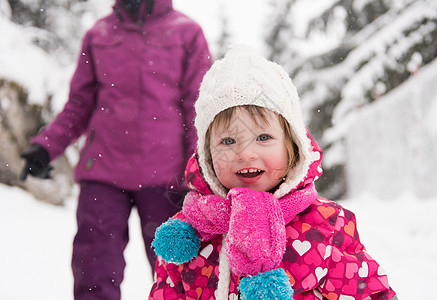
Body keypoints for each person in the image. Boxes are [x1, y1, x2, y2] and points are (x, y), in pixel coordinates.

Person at [149, 45, 397, 299]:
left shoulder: (325, 225)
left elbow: (368, 293)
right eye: (228, 141)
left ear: (293, 147)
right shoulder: (188, 235)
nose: (245, 154)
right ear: (207, 157)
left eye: (263, 137)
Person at [19, 0, 211, 299]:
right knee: (93, 272)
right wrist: (46, 147)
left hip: (167, 178)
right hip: (104, 172)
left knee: (179, 272)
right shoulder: (99, 34)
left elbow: (198, 110)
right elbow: (78, 106)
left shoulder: (187, 33)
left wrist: (197, 174)